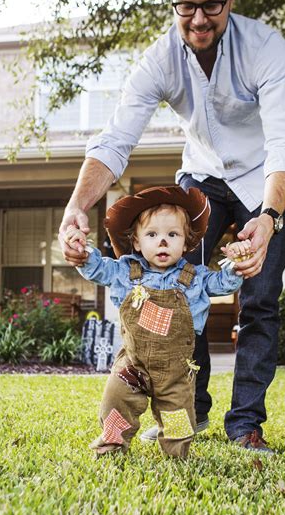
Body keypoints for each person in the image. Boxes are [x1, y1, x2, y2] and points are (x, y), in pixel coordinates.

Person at [59, 0, 285, 455]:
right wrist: (75, 206)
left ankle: (245, 425)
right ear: (172, 0)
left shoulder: (266, 48)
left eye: (211, 5)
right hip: (201, 178)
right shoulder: (159, 60)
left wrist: (267, 219)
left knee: (259, 301)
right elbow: (116, 139)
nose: (198, 19)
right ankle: (186, 411)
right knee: (175, 287)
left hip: (263, 183)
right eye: (185, 6)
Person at [67, 185, 249, 458]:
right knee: (115, 404)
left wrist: (237, 263)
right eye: (152, 234)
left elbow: (224, 283)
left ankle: (176, 456)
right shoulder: (125, 271)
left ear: (186, 243)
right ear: (137, 242)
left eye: (172, 234)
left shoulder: (195, 277)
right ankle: (111, 446)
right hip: (133, 365)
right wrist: (82, 252)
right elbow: (97, 268)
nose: (163, 241)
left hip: (175, 372)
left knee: (178, 420)